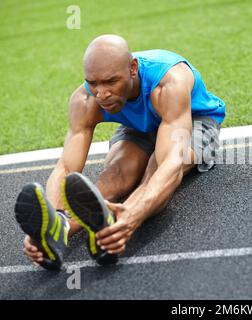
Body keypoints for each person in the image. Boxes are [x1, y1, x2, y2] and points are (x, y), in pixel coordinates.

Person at [14, 34, 226, 270]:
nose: (101, 93)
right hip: (139, 125)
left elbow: (171, 165)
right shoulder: (85, 99)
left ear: (132, 69)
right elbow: (65, 167)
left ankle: (118, 224)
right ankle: (58, 231)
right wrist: (52, 217)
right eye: (93, 83)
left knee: (156, 165)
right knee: (116, 174)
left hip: (195, 121)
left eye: (110, 82)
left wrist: (130, 219)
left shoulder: (169, 83)